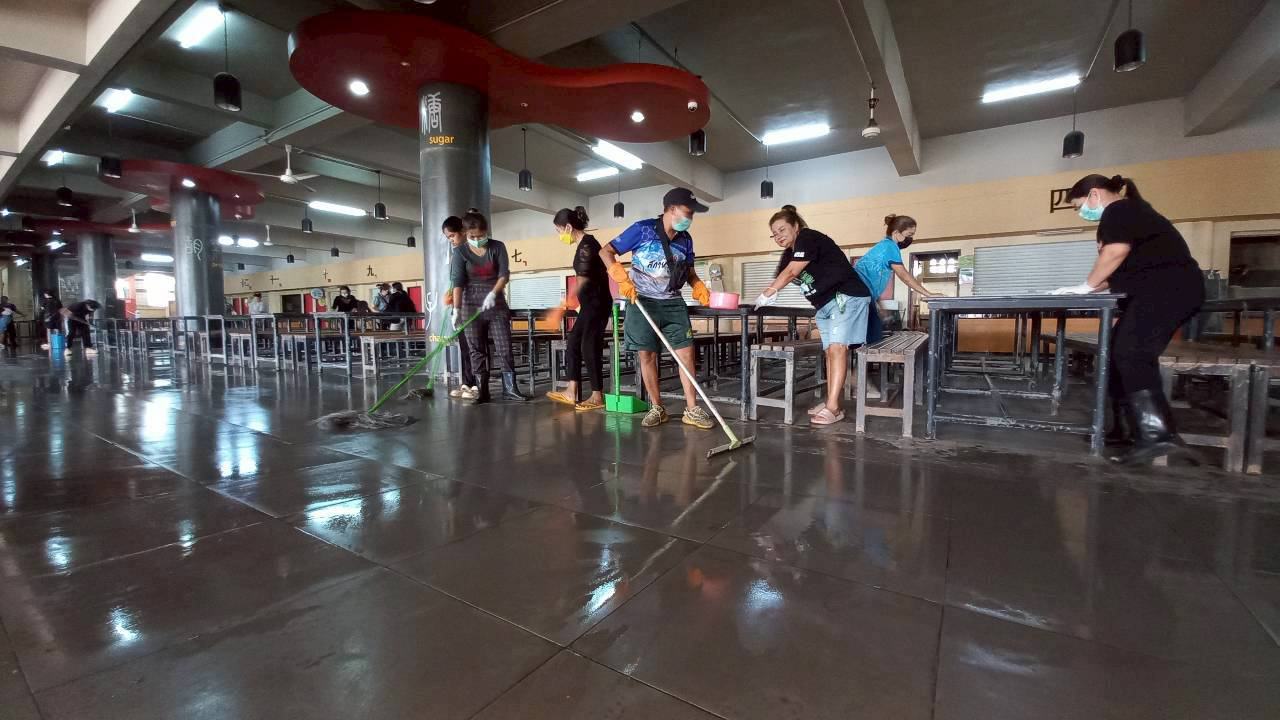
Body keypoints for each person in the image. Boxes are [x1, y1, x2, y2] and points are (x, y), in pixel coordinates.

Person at [1051, 174, 1204, 465]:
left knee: (1132, 352)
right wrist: (1082, 288)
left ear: (1094, 194)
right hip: (1161, 291)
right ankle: (1122, 429)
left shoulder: (1119, 210)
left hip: (1169, 290)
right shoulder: (1131, 213)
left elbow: (1115, 252)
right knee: (1115, 353)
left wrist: (1085, 286)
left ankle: (1157, 435)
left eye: (1078, 206)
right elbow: (1117, 273)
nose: (1080, 212)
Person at [600, 187, 715, 429]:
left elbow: (689, 271)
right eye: (687, 212)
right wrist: (620, 276)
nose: (690, 217)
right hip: (641, 301)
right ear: (671, 209)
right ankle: (657, 407)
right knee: (647, 354)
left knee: (686, 354)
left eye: (692, 213)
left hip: (673, 302)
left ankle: (692, 409)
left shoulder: (685, 239)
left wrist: (698, 285)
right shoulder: (642, 229)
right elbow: (606, 251)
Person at [754, 205, 873, 425]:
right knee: (830, 352)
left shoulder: (808, 237)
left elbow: (792, 272)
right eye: (774, 234)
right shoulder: (789, 253)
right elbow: (785, 273)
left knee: (837, 349)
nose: (778, 236)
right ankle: (832, 403)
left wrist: (768, 293)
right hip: (825, 305)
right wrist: (772, 289)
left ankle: (833, 407)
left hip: (845, 297)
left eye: (782, 230)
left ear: (796, 226)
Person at [450, 209, 533, 403]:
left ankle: (510, 389)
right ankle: (482, 391)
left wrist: (493, 293)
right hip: (470, 305)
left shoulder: (497, 247)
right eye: (472, 237)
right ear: (465, 233)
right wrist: (456, 309)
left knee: (504, 346)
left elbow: (504, 274)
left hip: (496, 304)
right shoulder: (460, 252)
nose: (477, 239)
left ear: (486, 231)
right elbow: (457, 282)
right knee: (476, 349)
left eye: (481, 236)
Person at [546, 206, 612, 411]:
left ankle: (597, 395)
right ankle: (571, 390)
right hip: (589, 304)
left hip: (597, 303)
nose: (559, 235)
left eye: (558, 230)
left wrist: (564, 304)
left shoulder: (587, 245)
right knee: (574, 342)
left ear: (568, 227)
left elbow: (582, 281)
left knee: (588, 346)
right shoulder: (583, 245)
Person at [854, 214, 938, 343]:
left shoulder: (885, 245)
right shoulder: (890, 246)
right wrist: (929, 294)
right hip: (858, 294)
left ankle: (864, 354)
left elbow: (870, 281)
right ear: (896, 233)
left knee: (872, 334)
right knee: (872, 335)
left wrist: (879, 304)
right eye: (909, 234)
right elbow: (904, 275)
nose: (910, 238)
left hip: (862, 293)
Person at [442, 215, 478, 400]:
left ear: (463, 232)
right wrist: (453, 299)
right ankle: (467, 383)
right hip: (462, 308)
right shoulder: (457, 254)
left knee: (475, 348)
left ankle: (478, 384)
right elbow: (457, 282)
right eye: (448, 237)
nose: (451, 240)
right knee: (465, 347)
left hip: (474, 308)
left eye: (452, 235)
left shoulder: (475, 252)